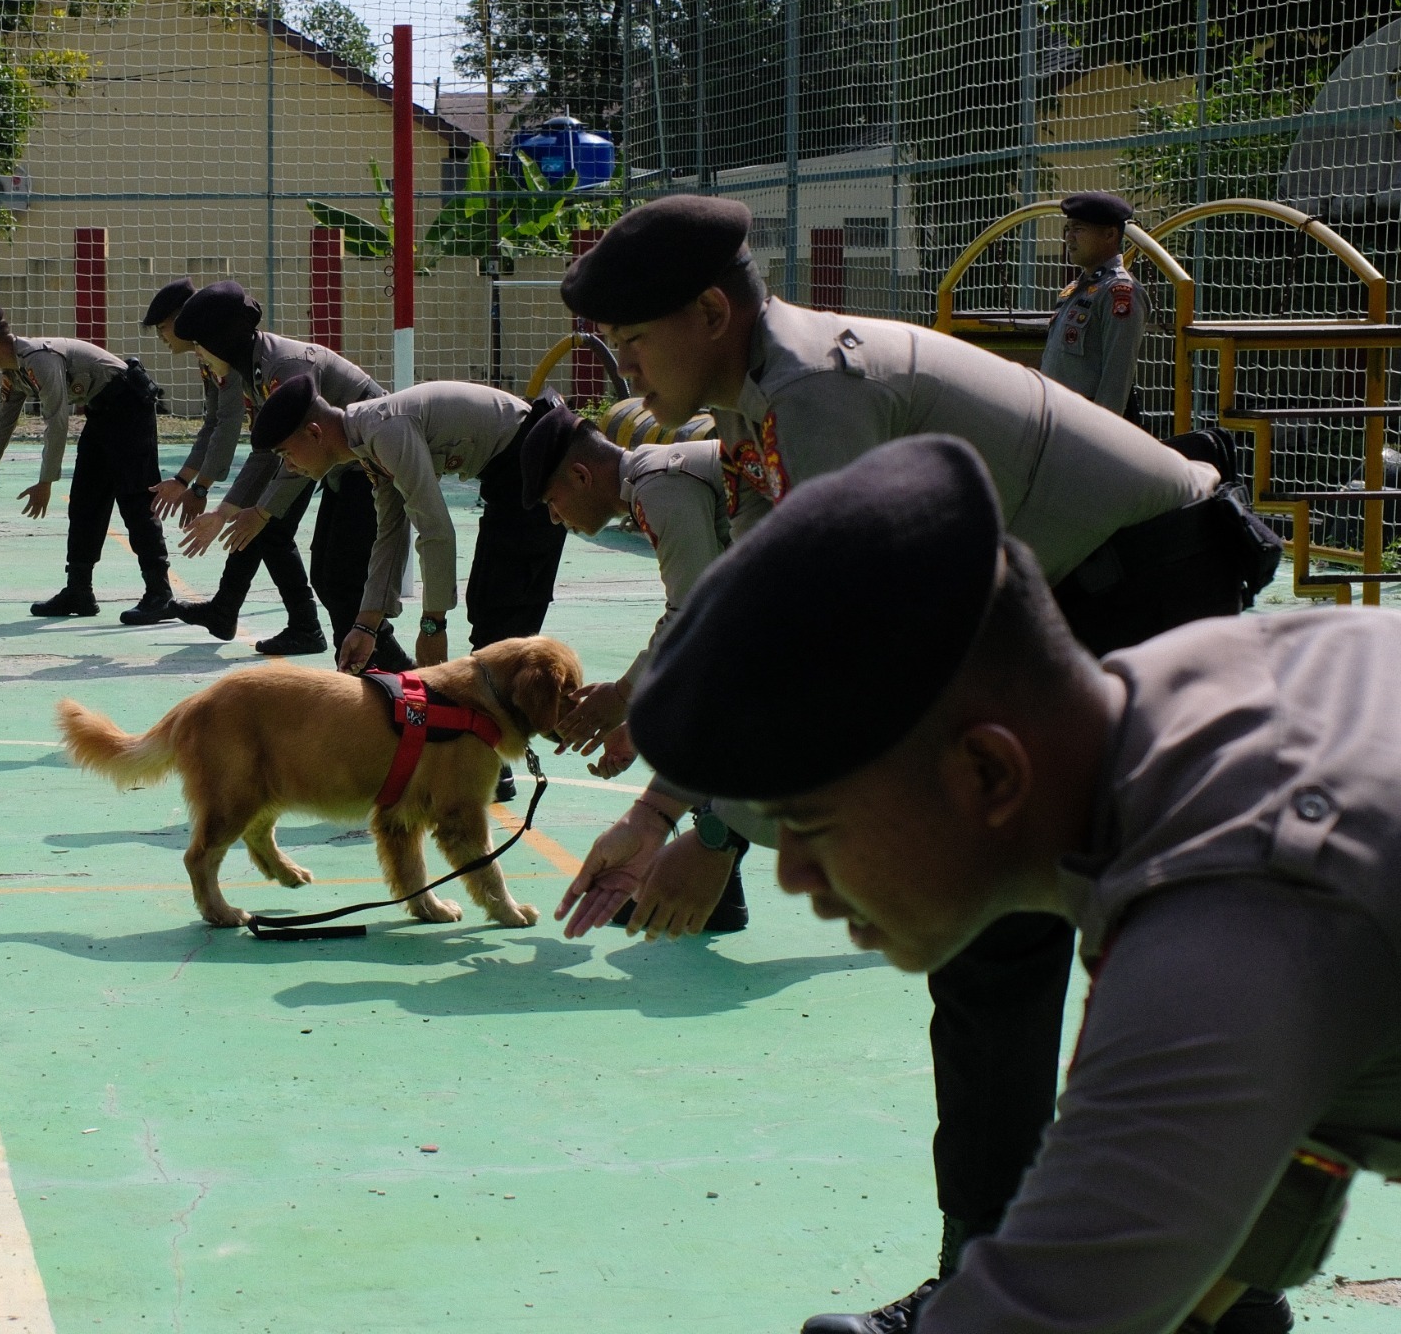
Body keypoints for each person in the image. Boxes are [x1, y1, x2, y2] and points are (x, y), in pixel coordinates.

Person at [553, 194, 1283, 1334]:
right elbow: (763, 601)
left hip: (1145, 592)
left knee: (1067, 940)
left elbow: (841, 642)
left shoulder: (816, 392)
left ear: (710, 314)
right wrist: (658, 812)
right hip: (1072, 597)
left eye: (635, 342)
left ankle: (1090, 1293)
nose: (626, 372)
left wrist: (713, 834)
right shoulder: (760, 396)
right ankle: (1144, 1292)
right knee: (1015, 940)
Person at [629, 432, 1401, 1334]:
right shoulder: (1193, 701)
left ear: (990, 774)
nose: (795, 876)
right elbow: (1305, 1111)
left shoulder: (1229, 913)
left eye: (812, 825)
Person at [520, 409, 767, 937]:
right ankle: (719, 883)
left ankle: (715, 857)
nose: (554, 519)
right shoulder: (654, 484)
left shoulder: (659, 483)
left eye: (552, 502)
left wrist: (624, 695)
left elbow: (693, 613)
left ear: (581, 476)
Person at [252, 373, 567, 693]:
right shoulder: (367, 439)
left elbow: (436, 529)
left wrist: (433, 626)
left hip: (536, 466)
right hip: (509, 479)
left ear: (314, 432)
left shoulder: (384, 432)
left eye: (286, 454)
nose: (289, 467)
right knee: (486, 613)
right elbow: (390, 532)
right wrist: (365, 626)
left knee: (502, 627)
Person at [169, 282, 411, 670]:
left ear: (220, 340)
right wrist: (226, 511)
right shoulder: (255, 370)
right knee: (328, 578)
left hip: (372, 463)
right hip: (345, 469)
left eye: (200, 344)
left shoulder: (284, 367)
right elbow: (268, 450)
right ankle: (376, 672)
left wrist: (261, 512)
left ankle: (388, 674)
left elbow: (305, 445)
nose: (197, 353)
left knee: (343, 578)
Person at [0, 306, 176, 625]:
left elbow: (57, 421)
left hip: (129, 405)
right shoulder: (14, 373)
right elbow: (1, 429)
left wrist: (45, 482)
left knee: (135, 500)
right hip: (102, 411)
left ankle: (160, 594)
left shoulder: (39, 359)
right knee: (85, 502)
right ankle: (79, 591)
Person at [141, 279, 325, 653]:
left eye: (164, 327)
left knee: (270, 529)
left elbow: (229, 425)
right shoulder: (214, 357)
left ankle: (307, 627)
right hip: (294, 447)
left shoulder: (236, 357)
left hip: (320, 446)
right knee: (255, 526)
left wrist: (202, 489)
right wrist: (189, 482)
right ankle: (225, 610)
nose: (162, 337)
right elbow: (219, 423)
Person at [1039, 192, 1146, 416]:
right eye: (1068, 229)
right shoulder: (1077, 289)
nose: (1069, 238)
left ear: (1109, 234)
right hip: (1059, 417)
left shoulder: (1119, 292)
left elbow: (1116, 378)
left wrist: (1099, 430)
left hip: (1087, 422)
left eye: (1078, 229)